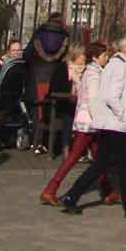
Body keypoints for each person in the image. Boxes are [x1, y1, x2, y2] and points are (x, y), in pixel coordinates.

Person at [60, 32, 126, 219]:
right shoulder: (119, 67)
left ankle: (72, 196)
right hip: (117, 126)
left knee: (104, 165)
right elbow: (111, 96)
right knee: (119, 167)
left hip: (115, 125)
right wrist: (124, 115)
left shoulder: (121, 66)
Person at [40, 44, 115, 207]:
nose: (106, 58)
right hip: (89, 123)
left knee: (98, 158)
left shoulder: (90, 72)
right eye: (104, 55)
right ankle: (51, 189)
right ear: (95, 57)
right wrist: (100, 121)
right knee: (74, 156)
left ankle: (109, 191)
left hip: (87, 121)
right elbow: (93, 100)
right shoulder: (94, 74)